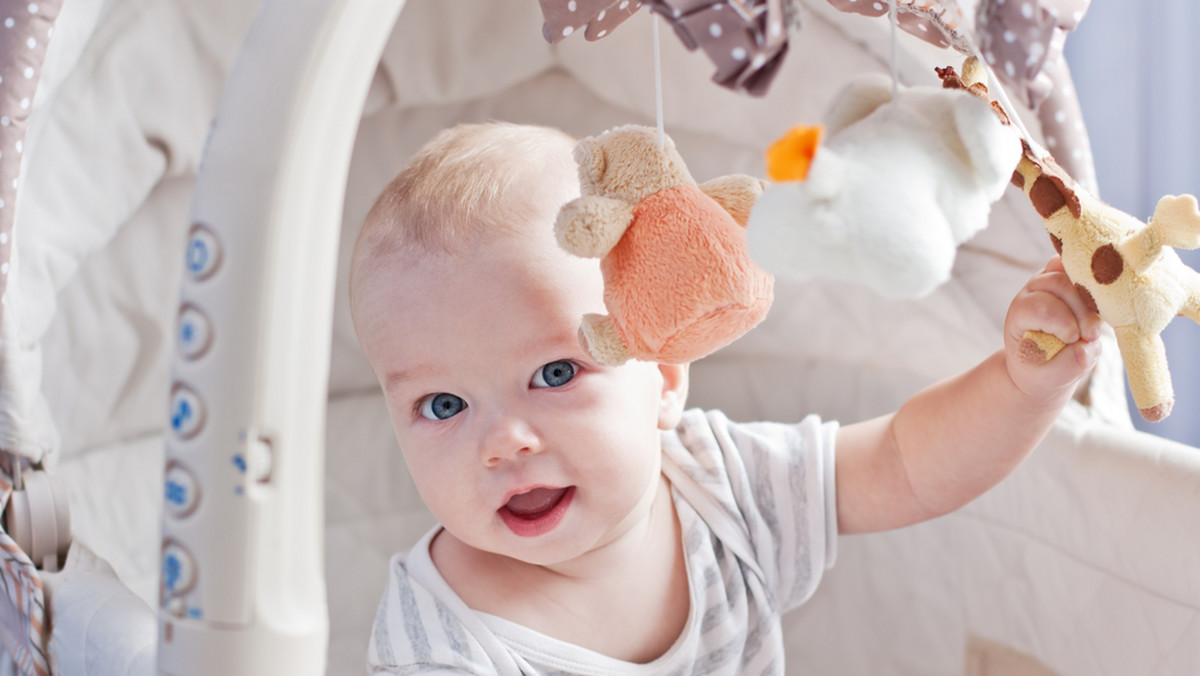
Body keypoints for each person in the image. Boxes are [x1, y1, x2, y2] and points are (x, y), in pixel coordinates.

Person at [349, 122, 1101, 674]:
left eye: (554, 374)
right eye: (444, 405)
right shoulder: (444, 643)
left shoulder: (719, 487)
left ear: (666, 376)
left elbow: (904, 462)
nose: (504, 441)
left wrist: (1019, 384)